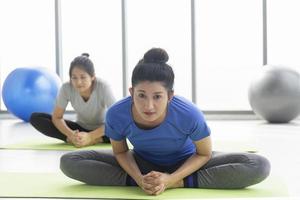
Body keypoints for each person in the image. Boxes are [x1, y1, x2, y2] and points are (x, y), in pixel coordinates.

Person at [60, 48, 270, 195]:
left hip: (187, 163)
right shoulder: (117, 113)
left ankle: (181, 183)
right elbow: (121, 152)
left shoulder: (189, 113)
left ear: (170, 96)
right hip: (141, 164)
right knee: (69, 161)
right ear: (131, 92)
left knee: (258, 165)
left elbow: (204, 153)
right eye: (141, 95)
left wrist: (171, 180)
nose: (148, 106)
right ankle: (146, 182)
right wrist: (141, 178)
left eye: (157, 96)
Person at [30, 53, 115, 147]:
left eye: (83, 77)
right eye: (74, 78)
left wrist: (91, 136)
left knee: (120, 126)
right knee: (36, 118)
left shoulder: (104, 87)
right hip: (79, 129)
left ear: (92, 77)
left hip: (102, 130)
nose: (78, 82)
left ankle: (96, 139)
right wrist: (71, 134)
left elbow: (116, 119)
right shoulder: (66, 88)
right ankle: (74, 140)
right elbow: (57, 117)